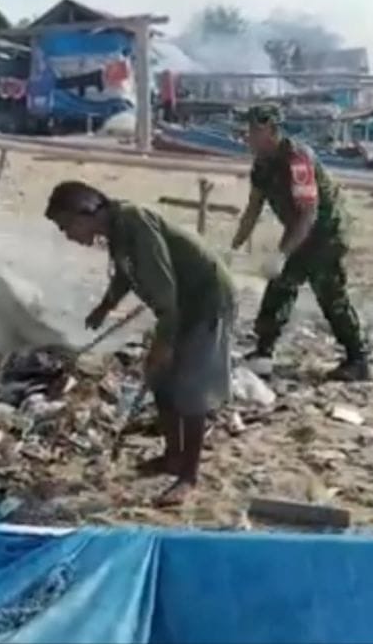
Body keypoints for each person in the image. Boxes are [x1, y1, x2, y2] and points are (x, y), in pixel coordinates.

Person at [45, 181, 235, 507]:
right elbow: (125, 272)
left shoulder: (135, 222)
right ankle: (173, 457)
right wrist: (105, 306)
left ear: (85, 212)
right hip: (179, 304)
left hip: (205, 300)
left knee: (190, 386)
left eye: (66, 226)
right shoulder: (116, 230)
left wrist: (163, 345)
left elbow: (167, 296)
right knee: (160, 380)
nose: (68, 235)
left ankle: (188, 476)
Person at [231, 105, 368, 381]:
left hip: (327, 231)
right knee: (280, 288)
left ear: (270, 130)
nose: (246, 138)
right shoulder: (262, 162)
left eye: (252, 132)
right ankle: (263, 352)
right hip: (300, 232)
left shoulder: (298, 159)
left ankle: (358, 359)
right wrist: (234, 246)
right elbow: (253, 207)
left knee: (329, 295)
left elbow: (309, 212)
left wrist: (283, 253)